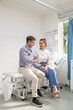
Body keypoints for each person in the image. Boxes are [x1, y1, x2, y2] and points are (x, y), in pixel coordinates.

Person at [18, 36, 45, 107]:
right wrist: (36, 60)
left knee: (42, 74)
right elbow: (26, 60)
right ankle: (34, 98)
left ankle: (38, 90)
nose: (33, 44)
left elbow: (32, 62)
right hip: (24, 68)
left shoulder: (30, 50)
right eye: (33, 42)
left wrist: (38, 65)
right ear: (29, 42)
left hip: (31, 67)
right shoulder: (23, 49)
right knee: (35, 78)